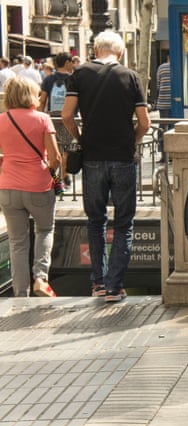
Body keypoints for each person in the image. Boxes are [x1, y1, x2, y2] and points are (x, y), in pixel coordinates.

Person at [61, 30, 150, 303]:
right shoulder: (131, 76)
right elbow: (144, 123)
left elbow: (66, 115)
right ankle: (115, 287)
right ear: (120, 53)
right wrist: (132, 139)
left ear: (95, 50)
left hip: (92, 157)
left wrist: (80, 137)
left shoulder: (80, 74)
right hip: (123, 157)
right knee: (124, 222)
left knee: (95, 221)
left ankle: (98, 283)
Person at [0, 77, 60, 298]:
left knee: (17, 242)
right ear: (31, 95)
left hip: (7, 188)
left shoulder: (1, 120)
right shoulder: (43, 119)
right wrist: (55, 175)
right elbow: (54, 158)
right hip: (38, 185)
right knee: (44, 230)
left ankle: (20, 292)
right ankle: (41, 279)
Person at [39, 53, 74, 184]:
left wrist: (40, 117)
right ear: (66, 62)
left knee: (54, 152)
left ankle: (55, 181)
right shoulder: (73, 79)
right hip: (68, 117)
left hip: (52, 118)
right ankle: (65, 176)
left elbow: (42, 100)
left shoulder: (48, 79)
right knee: (67, 150)